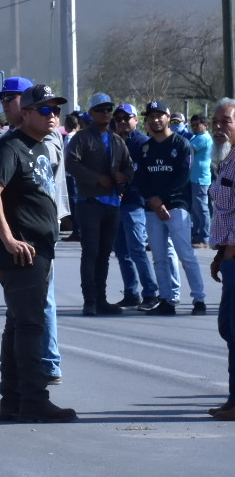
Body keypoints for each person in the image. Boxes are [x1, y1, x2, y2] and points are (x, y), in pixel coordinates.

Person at [0, 94, 75, 422]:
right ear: (27, 113)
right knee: (31, 325)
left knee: (18, 325)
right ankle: (34, 400)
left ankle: (13, 401)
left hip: (40, 250)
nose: (53, 115)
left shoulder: (43, 146)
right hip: (22, 252)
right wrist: (7, 238)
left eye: (56, 110)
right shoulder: (11, 146)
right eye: (45, 109)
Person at [136, 101, 207, 315]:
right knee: (159, 257)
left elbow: (182, 177)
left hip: (176, 207)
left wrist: (162, 200)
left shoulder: (181, 144)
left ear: (168, 118)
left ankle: (199, 300)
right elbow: (140, 178)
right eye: (151, 117)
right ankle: (166, 300)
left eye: (160, 115)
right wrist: (152, 200)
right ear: (146, 121)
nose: (155, 120)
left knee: (185, 255)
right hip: (152, 209)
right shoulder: (145, 148)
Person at [64, 95, 133, 314]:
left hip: (112, 204)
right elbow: (71, 163)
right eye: (101, 109)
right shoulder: (81, 138)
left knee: (104, 254)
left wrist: (123, 176)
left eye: (108, 109)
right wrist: (96, 178)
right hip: (89, 203)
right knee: (91, 252)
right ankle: (90, 301)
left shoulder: (117, 140)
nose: (105, 113)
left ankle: (101, 299)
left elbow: (130, 166)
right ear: (91, 113)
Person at [112, 104, 161, 309]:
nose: (123, 121)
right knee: (121, 251)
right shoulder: (113, 141)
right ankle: (131, 293)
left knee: (136, 249)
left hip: (135, 202)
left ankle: (150, 292)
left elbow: (142, 173)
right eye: (119, 118)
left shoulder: (142, 143)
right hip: (116, 202)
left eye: (127, 118)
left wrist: (127, 179)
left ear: (136, 120)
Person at [206, 98, 235, 421]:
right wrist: (220, 253)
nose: (218, 127)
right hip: (228, 256)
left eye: (225, 121)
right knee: (228, 329)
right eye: (216, 121)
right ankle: (232, 398)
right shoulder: (228, 160)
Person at [190, 113, 216, 247]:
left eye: (197, 125)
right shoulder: (196, 137)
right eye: (192, 125)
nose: (194, 127)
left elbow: (188, 150)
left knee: (201, 209)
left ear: (205, 126)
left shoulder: (204, 138)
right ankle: (196, 235)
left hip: (200, 178)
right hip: (194, 178)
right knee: (195, 209)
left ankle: (204, 237)